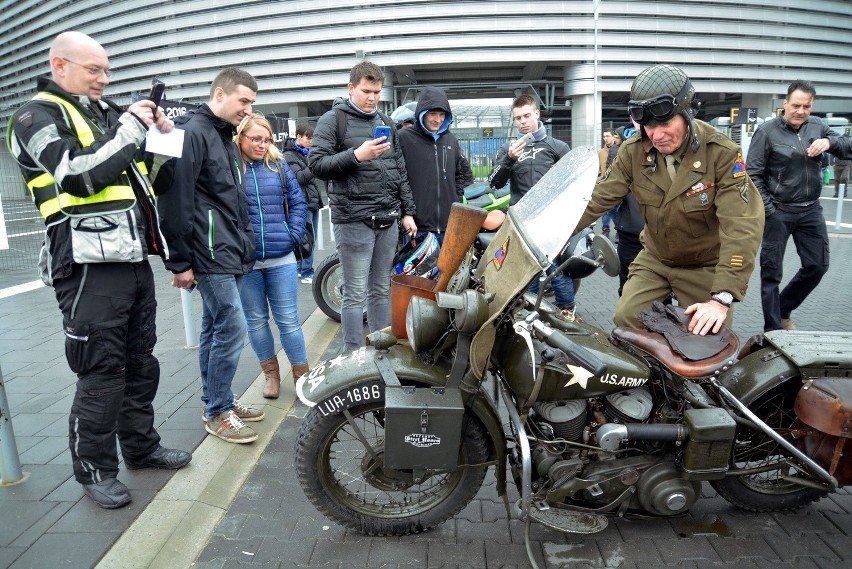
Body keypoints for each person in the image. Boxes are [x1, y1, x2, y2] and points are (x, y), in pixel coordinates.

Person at [6, 31, 191, 509]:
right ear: (59, 64)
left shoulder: (104, 114)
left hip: (129, 260)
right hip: (85, 263)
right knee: (101, 372)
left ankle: (141, 448)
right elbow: (77, 174)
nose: (104, 80)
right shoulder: (34, 115)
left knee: (139, 363)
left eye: (106, 70)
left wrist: (162, 144)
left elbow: (152, 182)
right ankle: (93, 469)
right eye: (94, 70)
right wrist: (131, 128)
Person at [573, 64, 765, 335]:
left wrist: (722, 297)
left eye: (665, 123)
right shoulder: (633, 152)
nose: (656, 135)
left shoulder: (721, 154)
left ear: (688, 114)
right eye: (649, 126)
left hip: (705, 266)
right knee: (627, 318)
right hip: (656, 260)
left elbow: (742, 225)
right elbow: (596, 199)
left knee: (709, 339)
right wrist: (551, 231)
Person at [153, 67, 264, 444]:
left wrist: (245, 244)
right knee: (232, 326)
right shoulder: (191, 132)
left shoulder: (223, 137)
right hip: (208, 251)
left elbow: (233, 199)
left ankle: (216, 402)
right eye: (243, 101)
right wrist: (180, 261)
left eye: (252, 103)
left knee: (215, 327)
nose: (248, 109)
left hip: (226, 249)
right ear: (219, 94)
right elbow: (173, 198)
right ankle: (218, 410)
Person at [308, 61, 417, 352]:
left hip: (387, 219)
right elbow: (316, 165)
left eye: (377, 92)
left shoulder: (386, 122)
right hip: (353, 220)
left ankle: (383, 352)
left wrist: (407, 212)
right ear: (351, 88)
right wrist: (356, 155)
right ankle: (353, 356)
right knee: (354, 293)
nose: (372, 98)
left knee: (381, 290)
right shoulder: (333, 120)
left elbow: (399, 170)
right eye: (366, 91)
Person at [746, 79, 852, 332]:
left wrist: (830, 143)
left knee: (817, 266)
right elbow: (752, 174)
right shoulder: (767, 132)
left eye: (807, 106)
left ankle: (782, 309)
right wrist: (770, 211)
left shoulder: (817, 126)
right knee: (771, 274)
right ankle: (773, 330)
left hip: (810, 210)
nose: (801, 111)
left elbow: (848, 147)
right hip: (778, 211)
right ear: (785, 104)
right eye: (796, 105)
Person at [237, 114, 310, 400]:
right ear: (240, 137)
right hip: (246, 261)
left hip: (282, 258)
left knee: (289, 321)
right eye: (256, 139)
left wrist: (291, 234)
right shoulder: (230, 168)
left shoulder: (278, 165)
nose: (262, 144)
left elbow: (298, 201)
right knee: (255, 321)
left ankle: (302, 376)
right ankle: (271, 374)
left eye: (267, 140)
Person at [488, 94, 576, 315]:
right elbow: (493, 182)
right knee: (526, 270)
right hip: (521, 221)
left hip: (551, 220)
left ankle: (568, 311)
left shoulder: (557, 146)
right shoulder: (508, 149)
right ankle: (528, 310)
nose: (523, 121)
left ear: (537, 114)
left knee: (554, 268)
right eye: (518, 118)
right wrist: (509, 159)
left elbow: (573, 182)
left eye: (527, 115)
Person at [397, 86, 474, 246]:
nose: (437, 119)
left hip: (449, 226)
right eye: (432, 113)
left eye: (441, 114)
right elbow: (397, 179)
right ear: (421, 113)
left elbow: (460, 175)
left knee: (447, 271)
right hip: (417, 227)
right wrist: (406, 213)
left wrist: (456, 201)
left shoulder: (451, 140)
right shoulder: (403, 138)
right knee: (415, 272)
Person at [283, 121, 323, 284]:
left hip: (312, 201)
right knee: (307, 238)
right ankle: (306, 271)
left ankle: (301, 269)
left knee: (307, 238)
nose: (310, 141)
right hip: (301, 203)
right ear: (298, 136)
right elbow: (299, 178)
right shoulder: (289, 155)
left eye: (312, 138)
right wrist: (313, 166)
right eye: (308, 137)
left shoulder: (305, 153)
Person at [598, 128, 620, 238]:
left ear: (613, 137)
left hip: (617, 185)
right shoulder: (601, 153)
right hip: (604, 185)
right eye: (604, 136)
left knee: (615, 209)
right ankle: (605, 229)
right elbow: (598, 169)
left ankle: (619, 228)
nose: (605, 138)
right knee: (606, 209)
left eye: (607, 136)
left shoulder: (620, 150)